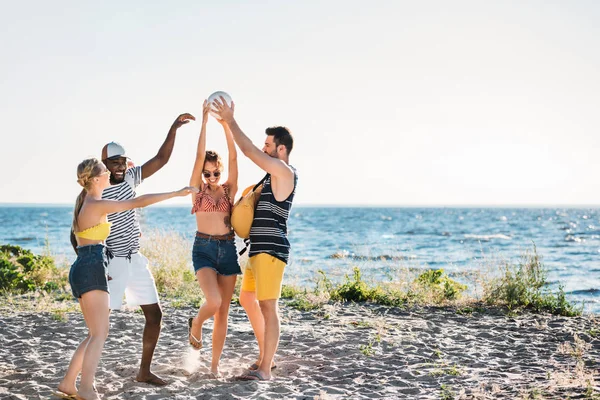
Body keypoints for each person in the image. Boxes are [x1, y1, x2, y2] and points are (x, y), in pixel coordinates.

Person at [56, 158, 196, 400]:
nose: (109, 173)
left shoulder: (88, 202)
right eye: (105, 171)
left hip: (86, 264)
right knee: (100, 334)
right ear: (97, 178)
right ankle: (86, 389)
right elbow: (138, 202)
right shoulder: (95, 203)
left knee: (93, 333)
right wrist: (176, 192)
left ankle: (69, 383)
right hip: (91, 266)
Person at [100, 113, 194, 386]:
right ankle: (85, 375)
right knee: (100, 325)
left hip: (135, 259)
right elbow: (80, 226)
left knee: (155, 316)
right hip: (112, 261)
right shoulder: (98, 187)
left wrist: (173, 128)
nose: (118, 166)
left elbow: (161, 159)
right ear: (103, 164)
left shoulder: (131, 177)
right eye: (113, 162)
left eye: (121, 161)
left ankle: (144, 371)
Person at [211, 98, 297, 381]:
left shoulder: (284, 172)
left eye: (269, 145)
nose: (264, 148)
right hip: (257, 249)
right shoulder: (269, 177)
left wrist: (229, 120)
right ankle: (265, 357)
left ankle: (265, 369)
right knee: (248, 299)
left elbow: (247, 151)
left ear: (281, 148)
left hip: (272, 250)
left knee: (268, 306)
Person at [187, 100, 240, 378]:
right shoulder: (198, 191)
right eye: (207, 173)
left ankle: (214, 366)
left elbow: (233, 158)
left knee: (223, 313)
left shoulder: (230, 189)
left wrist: (227, 125)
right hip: (204, 249)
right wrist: (205, 122)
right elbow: (197, 158)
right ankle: (196, 324)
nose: (210, 177)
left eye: (215, 172)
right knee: (214, 301)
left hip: (228, 250)